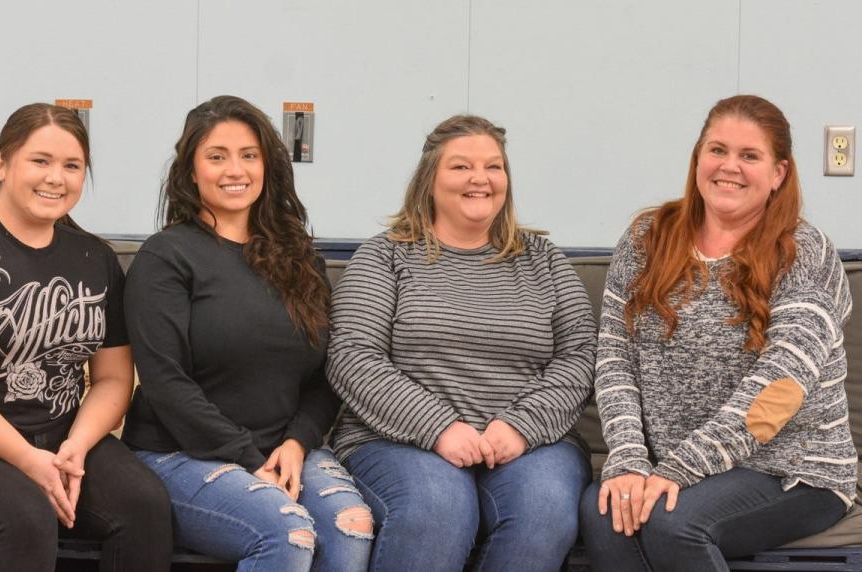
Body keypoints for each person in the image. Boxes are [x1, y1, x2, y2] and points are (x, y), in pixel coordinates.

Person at [579, 94, 856, 571]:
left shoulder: (804, 252)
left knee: (674, 522)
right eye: (718, 150)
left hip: (794, 470)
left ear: (778, 174)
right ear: (698, 158)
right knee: (604, 512)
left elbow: (781, 389)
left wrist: (680, 469)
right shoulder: (648, 237)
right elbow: (614, 359)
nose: (730, 167)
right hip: (674, 467)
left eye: (750, 156)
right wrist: (627, 459)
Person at [0, 103, 173, 571]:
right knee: (26, 515)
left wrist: (78, 445)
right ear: (2, 164)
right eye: (40, 161)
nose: (56, 178)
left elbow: (112, 379)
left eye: (72, 166)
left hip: (61, 436)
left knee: (144, 504)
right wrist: (29, 459)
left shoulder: (96, 259)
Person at [327, 114, 596, 571]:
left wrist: (521, 426)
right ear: (429, 179)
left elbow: (582, 354)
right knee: (439, 508)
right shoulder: (385, 255)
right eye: (461, 166)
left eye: (493, 166)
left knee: (545, 511)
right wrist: (439, 427)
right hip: (397, 441)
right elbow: (352, 356)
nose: (480, 179)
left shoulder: (543, 260)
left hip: (529, 443)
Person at [121, 95, 373, 572]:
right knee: (288, 533)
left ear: (267, 166)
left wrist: (298, 442)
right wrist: (246, 458)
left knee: (351, 526)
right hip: (179, 453)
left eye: (248, 155)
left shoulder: (299, 258)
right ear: (191, 171)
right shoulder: (166, 257)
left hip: (284, 449)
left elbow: (323, 376)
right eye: (216, 156)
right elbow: (165, 382)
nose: (234, 169)